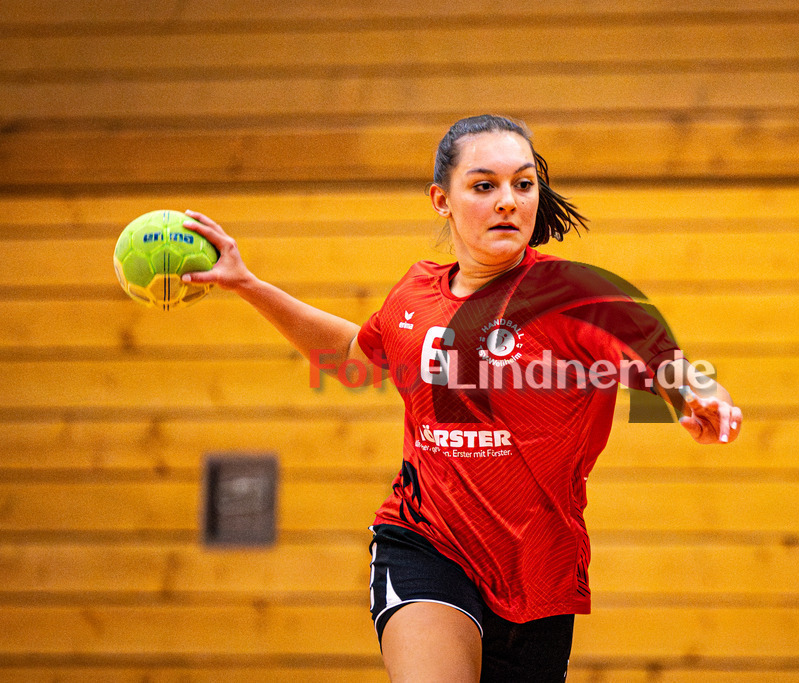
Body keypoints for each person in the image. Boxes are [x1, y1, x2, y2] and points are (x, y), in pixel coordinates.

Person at [181, 114, 741, 682]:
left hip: (537, 572)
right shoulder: (415, 294)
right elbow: (356, 352)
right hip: (424, 541)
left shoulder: (578, 295)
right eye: (484, 185)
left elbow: (666, 362)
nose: (508, 202)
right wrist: (248, 285)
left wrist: (702, 395)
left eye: (523, 185)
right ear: (440, 200)